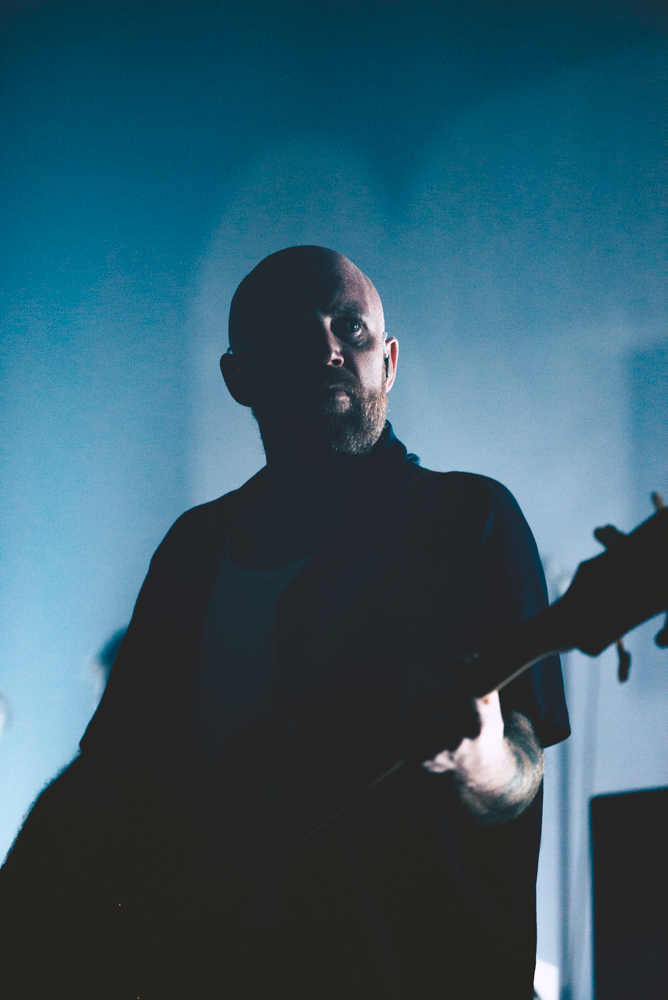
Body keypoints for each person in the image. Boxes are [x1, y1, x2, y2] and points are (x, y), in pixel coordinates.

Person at [0, 246, 569, 1000]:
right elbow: (115, 772)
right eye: (294, 331)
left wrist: (479, 755)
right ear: (240, 377)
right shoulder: (194, 549)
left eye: (351, 328)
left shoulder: (467, 520)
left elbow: (522, 767)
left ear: (388, 362)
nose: (329, 348)